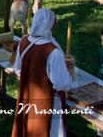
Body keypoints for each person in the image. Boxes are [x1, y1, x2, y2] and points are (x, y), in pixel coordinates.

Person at [11, 8, 74, 137]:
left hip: (28, 96)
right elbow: (61, 83)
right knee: (48, 130)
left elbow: (18, 69)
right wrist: (69, 75)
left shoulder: (24, 42)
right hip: (47, 102)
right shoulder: (53, 52)